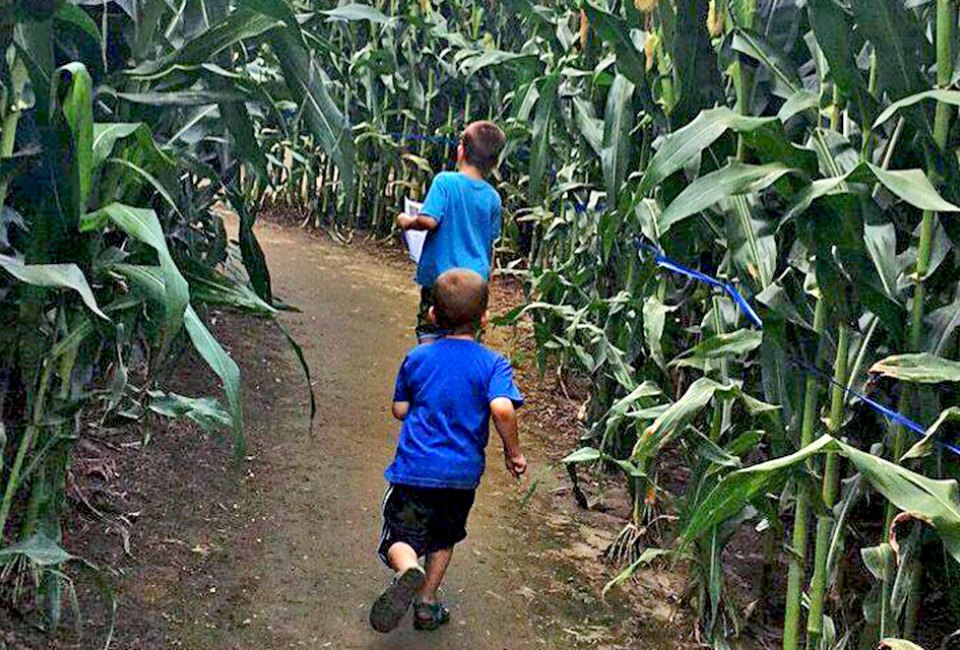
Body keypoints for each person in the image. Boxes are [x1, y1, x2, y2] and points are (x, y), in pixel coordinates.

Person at [370, 268, 527, 634]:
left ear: (432, 316)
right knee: (443, 537)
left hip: (414, 469)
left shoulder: (418, 358)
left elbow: (400, 410)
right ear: (485, 318)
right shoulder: (493, 364)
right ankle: (426, 603)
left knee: (400, 536)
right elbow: (502, 408)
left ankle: (407, 567)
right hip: (461, 476)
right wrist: (513, 452)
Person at [396, 121, 506, 343]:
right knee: (468, 335)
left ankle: (429, 368)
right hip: (475, 284)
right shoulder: (493, 197)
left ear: (461, 150)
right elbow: (491, 240)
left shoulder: (445, 182)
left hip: (442, 281)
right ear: (494, 163)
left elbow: (428, 221)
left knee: (431, 329)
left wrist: (406, 221)